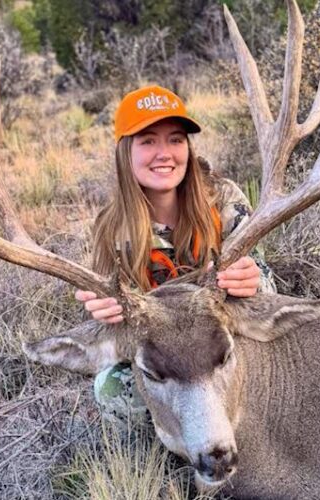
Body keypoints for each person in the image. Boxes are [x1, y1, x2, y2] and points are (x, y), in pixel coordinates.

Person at [76, 84, 276, 423]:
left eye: (176, 139)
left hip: (225, 344)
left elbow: (267, 288)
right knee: (111, 389)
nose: (164, 153)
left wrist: (255, 280)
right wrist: (105, 316)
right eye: (148, 140)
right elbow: (120, 340)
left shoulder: (223, 200)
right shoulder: (111, 228)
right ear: (125, 152)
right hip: (168, 357)